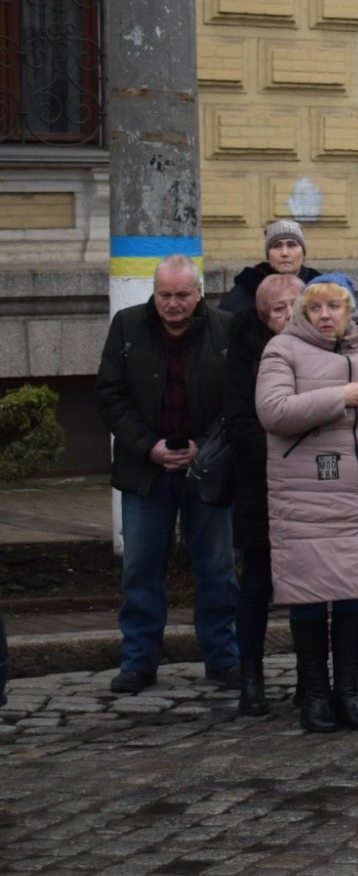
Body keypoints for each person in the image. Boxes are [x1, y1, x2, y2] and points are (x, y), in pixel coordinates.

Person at [257, 275, 358, 733]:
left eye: (335, 307)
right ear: (303, 313)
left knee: (354, 598)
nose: (326, 316)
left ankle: (347, 694)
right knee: (309, 598)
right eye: (316, 308)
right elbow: (273, 411)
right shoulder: (282, 351)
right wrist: (339, 397)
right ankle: (315, 697)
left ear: (351, 312)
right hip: (309, 497)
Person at [94, 255, 238, 694]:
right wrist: (147, 447)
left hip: (207, 469)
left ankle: (223, 658)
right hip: (145, 469)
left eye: (181, 295)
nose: (172, 304)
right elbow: (109, 394)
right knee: (140, 568)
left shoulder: (226, 328)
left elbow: (239, 401)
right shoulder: (127, 325)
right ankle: (138, 662)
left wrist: (203, 447)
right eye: (164, 295)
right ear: (153, 293)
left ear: (200, 292)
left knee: (217, 569)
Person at [221, 272, 304, 718]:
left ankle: (310, 677)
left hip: (311, 485)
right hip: (261, 484)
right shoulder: (243, 353)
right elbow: (239, 421)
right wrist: (284, 458)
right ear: (261, 314)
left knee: (311, 586)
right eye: (279, 309)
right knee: (257, 584)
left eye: (295, 306)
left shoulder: (318, 347)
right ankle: (251, 677)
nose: (289, 316)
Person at [218, 219, 319, 315]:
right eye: (276, 246)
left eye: (292, 245)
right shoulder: (249, 286)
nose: (284, 253)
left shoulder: (318, 286)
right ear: (268, 256)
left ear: (303, 253)